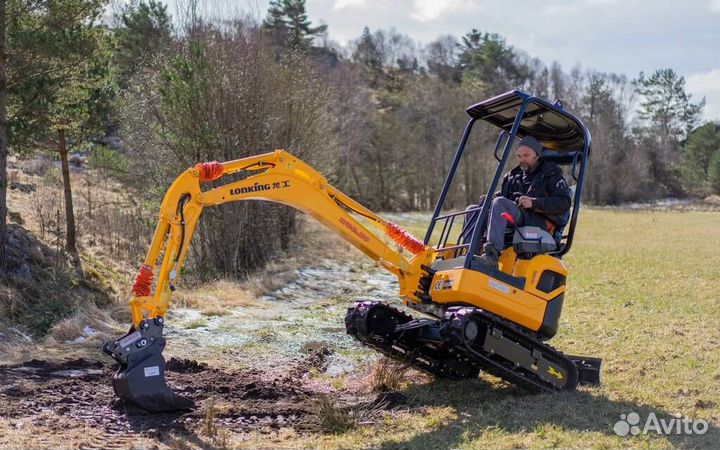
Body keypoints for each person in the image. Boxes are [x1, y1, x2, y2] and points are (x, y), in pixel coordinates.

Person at [461, 135, 572, 268]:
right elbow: (504, 195)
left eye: (526, 156)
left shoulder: (551, 174)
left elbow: (563, 203)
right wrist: (490, 198)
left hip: (535, 220)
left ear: (537, 155)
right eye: (519, 156)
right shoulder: (513, 176)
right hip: (514, 216)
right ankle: (469, 254)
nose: (522, 160)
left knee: (500, 203)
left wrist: (534, 202)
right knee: (473, 210)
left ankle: (491, 256)